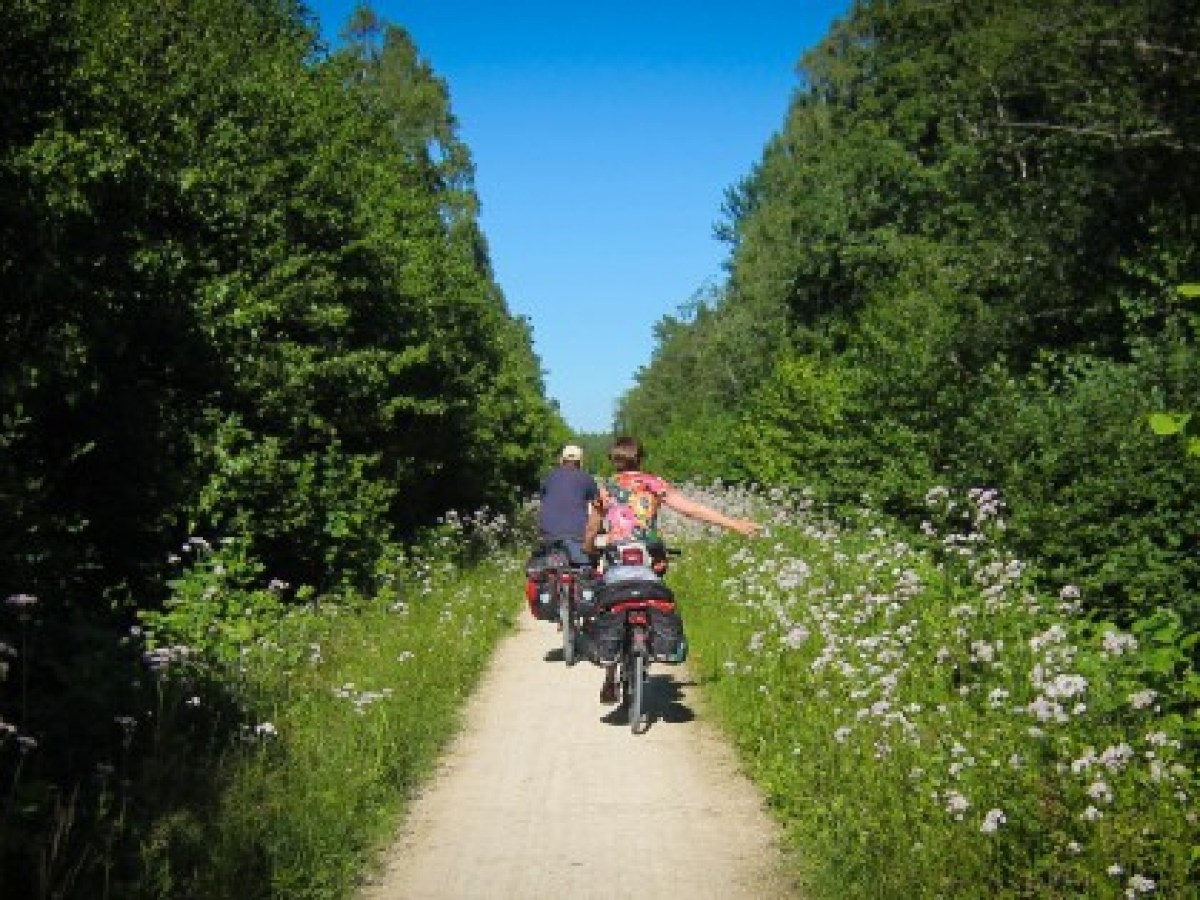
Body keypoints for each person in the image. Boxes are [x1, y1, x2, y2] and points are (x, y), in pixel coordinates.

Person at [583, 435, 760, 703]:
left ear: (613, 460)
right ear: (640, 458)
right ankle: (653, 638)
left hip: (616, 559)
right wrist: (734, 523)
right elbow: (692, 509)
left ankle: (610, 676)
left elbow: (592, 528)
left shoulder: (604, 490)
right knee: (655, 591)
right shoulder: (654, 484)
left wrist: (590, 548)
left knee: (609, 605)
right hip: (648, 558)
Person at [536, 444, 598, 566]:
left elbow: (543, 500)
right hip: (577, 536)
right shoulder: (587, 478)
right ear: (580, 462)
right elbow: (597, 507)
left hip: (549, 537)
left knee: (547, 574)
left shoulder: (549, 477)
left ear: (561, 460)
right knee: (586, 572)